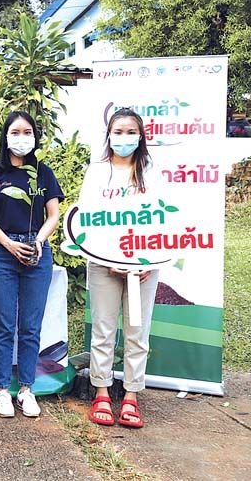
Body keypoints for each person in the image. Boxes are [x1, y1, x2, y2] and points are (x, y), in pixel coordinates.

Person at [0, 111, 63, 419]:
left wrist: (38, 241)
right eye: (15, 132)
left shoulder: (43, 173)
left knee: (30, 326)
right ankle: (1, 389)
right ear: (5, 137)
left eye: (27, 132)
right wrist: (9, 244)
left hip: (37, 252)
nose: (21, 138)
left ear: (35, 137)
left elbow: (53, 214)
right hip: (2, 253)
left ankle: (26, 388)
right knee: (4, 325)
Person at [82, 108, 160, 429]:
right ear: (109, 135)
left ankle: (131, 395)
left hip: (143, 268)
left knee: (137, 332)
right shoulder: (97, 172)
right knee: (103, 329)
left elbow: (163, 220)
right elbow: (87, 218)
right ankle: (101, 391)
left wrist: (149, 261)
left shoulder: (152, 172)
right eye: (118, 132)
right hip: (103, 265)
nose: (124, 138)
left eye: (130, 132)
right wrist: (108, 258)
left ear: (141, 137)